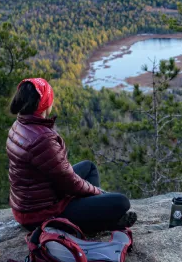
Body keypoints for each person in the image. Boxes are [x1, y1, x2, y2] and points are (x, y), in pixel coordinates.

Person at [7, 78, 136, 232]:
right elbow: (69, 183)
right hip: (41, 213)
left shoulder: (19, 125)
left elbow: (61, 176)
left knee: (89, 167)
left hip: (30, 205)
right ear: (45, 103)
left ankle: (93, 214)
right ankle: (101, 222)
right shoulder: (42, 139)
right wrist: (98, 192)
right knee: (121, 203)